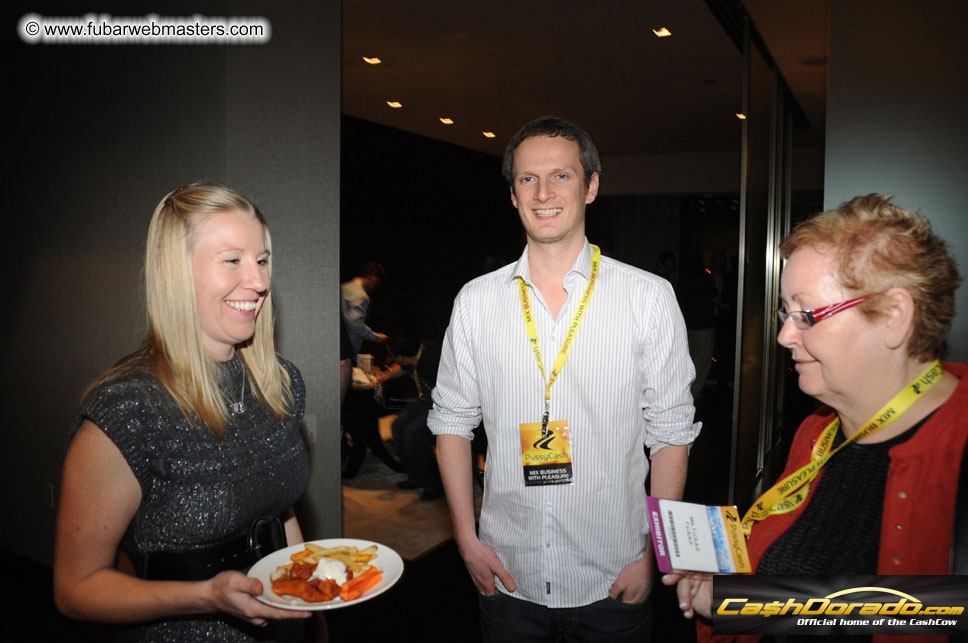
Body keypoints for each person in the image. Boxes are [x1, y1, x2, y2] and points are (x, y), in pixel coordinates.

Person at [428, 116, 700, 642]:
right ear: (512, 195)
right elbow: (451, 426)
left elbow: (671, 436)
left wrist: (651, 558)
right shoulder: (477, 302)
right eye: (528, 179)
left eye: (562, 176)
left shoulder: (648, 299)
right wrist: (466, 540)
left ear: (591, 186)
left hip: (613, 580)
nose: (544, 192)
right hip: (509, 577)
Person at [665, 195, 967, 642]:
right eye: (786, 313)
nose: (786, 335)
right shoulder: (817, 431)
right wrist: (720, 560)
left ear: (894, 316)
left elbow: (941, 611)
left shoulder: (957, 447)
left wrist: (745, 603)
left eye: (807, 315)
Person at [53, 182, 313, 641]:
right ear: (177, 273)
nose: (259, 281)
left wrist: (313, 609)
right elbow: (76, 589)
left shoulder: (281, 384)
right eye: (233, 260)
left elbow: (281, 511)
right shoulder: (128, 410)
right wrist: (205, 596)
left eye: (262, 260)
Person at [380, 331, 444, 501]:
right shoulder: (417, 349)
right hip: (426, 398)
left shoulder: (432, 363)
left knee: (413, 433)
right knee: (397, 426)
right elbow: (403, 367)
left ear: (400, 357)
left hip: (443, 404)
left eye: (392, 356)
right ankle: (416, 476)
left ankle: (435, 484)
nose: (391, 359)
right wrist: (385, 376)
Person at [340, 262, 387, 357]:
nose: (375, 289)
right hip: (346, 351)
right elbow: (355, 324)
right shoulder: (360, 294)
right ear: (374, 278)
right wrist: (377, 337)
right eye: (377, 285)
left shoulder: (343, 287)